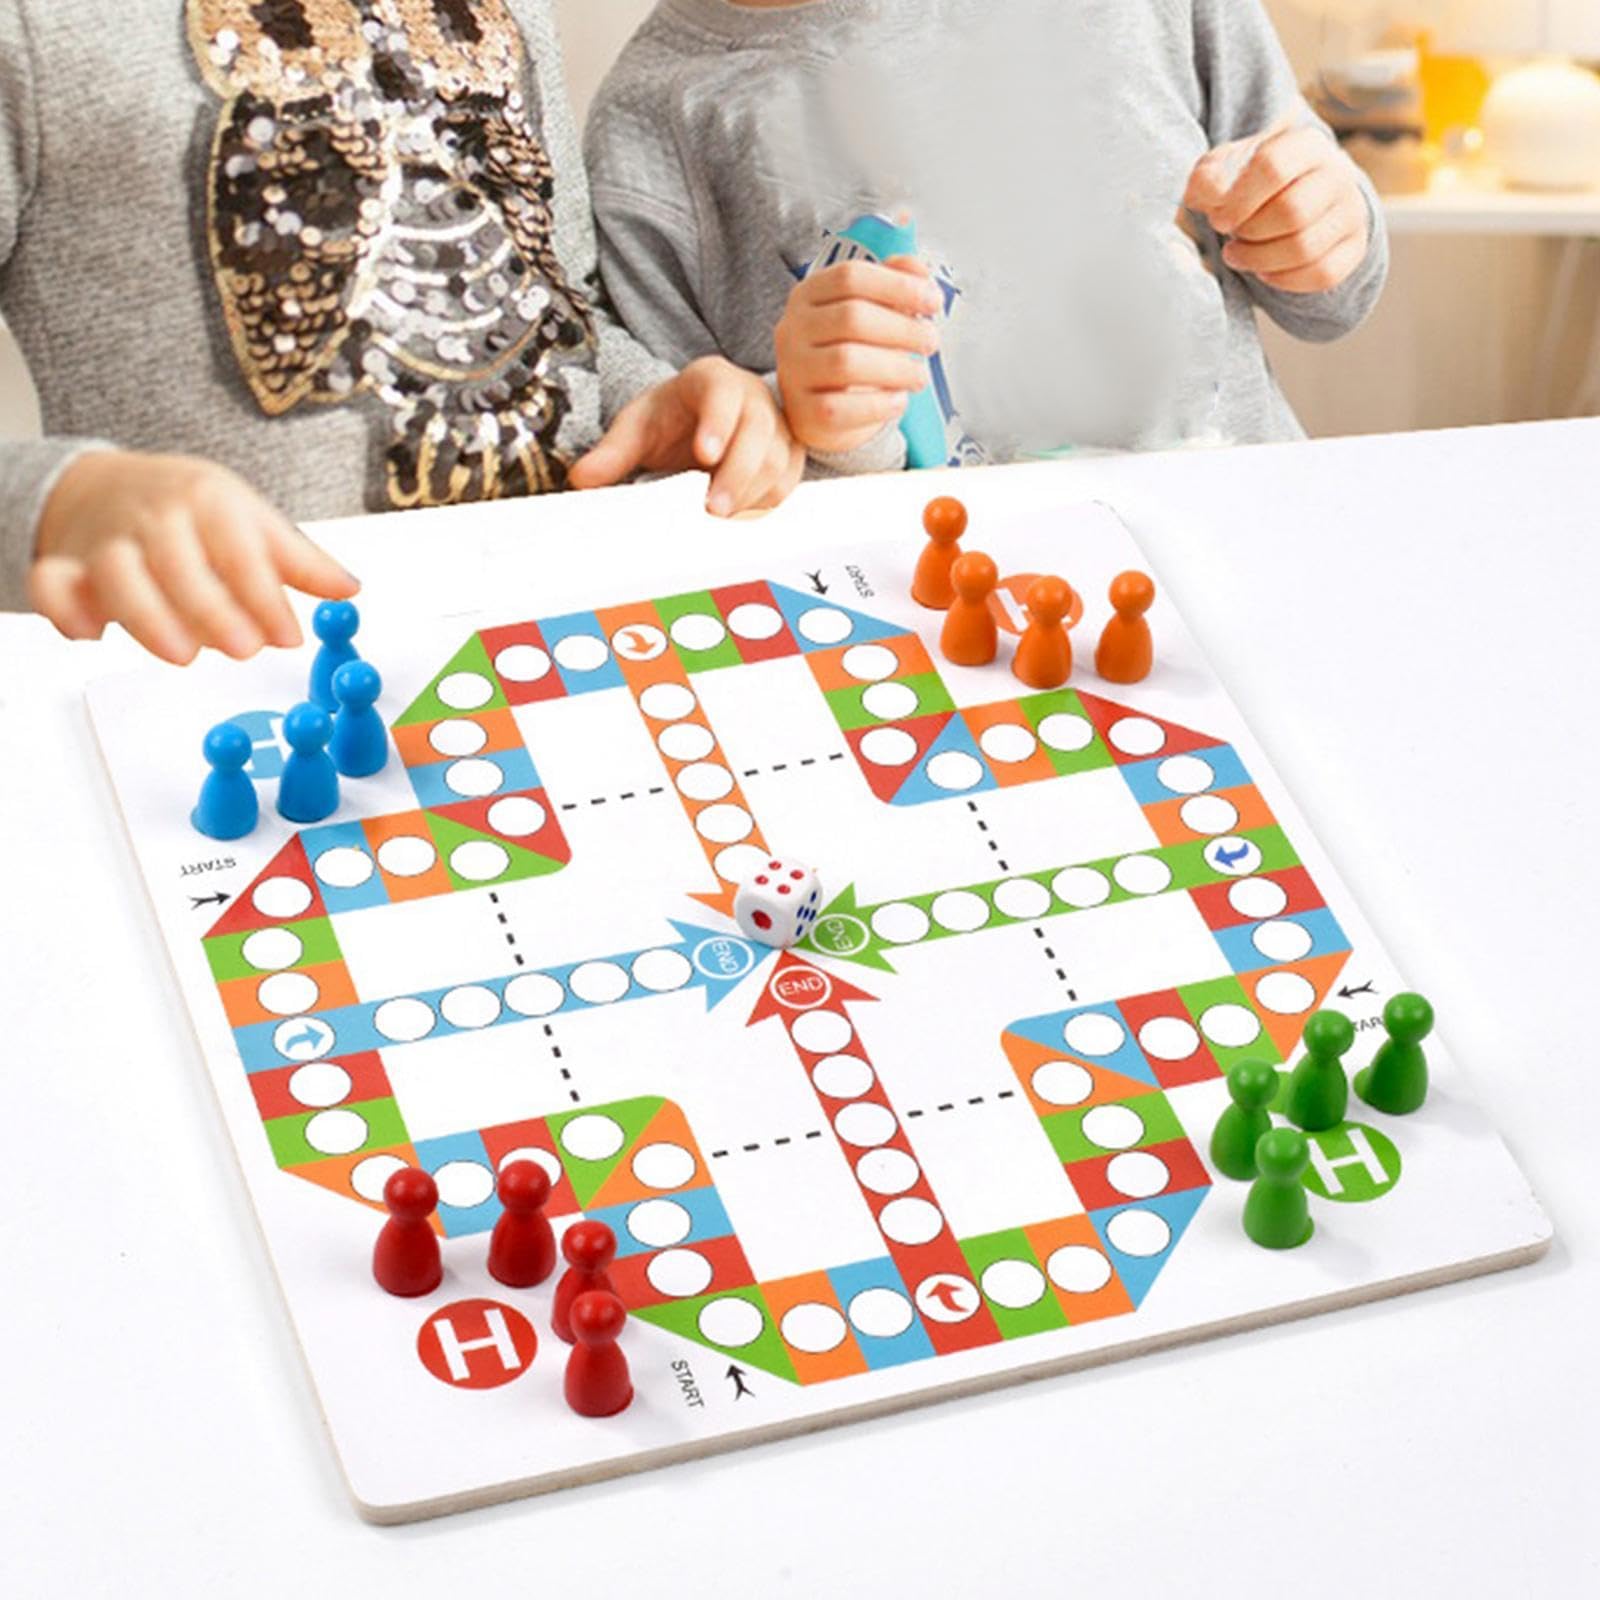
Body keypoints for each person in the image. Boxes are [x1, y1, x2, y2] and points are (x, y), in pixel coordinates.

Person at [0, 0, 803, 663]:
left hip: (563, 638)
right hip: (250, 681)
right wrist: (62, 503)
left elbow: (564, 310)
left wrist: (656, 400)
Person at [585, 0, 1389, 474]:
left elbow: (1328, 290)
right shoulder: (652, 120)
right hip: (945, 642)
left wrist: (1328, 228)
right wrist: (821, 427)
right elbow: (708, 471)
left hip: (1251, 544)